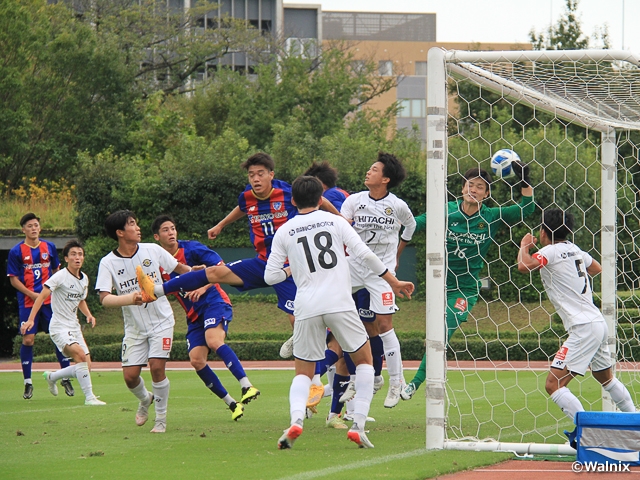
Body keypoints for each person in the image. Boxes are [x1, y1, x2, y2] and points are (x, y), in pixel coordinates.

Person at [264, 176, 415, 449]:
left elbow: (271, 276)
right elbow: (365, 253)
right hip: (340, 304)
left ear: (293, 201)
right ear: (321, 199)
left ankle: (296, 420)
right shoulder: (335, 222)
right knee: (366, 360)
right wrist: (393, 281)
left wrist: (292, 269)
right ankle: (357, 425)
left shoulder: (285, 230)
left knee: (303, 372)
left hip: (307, 306)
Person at [137, 153, 339, 340]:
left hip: (289, 268)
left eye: (260, 174)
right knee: (215, 272)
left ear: (271, 174)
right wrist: (221, 225)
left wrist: (341, 220)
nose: (255, 179)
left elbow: (319, 201)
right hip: (263, 264)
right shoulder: (247, 197)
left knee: (299, 320)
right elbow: (243, 208)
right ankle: (156, 290)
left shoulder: (288, 192)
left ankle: (322, 360)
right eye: (251, 175)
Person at [401, 163, 535, 401]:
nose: (473, 189)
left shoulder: (491, 216)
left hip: (463, 289)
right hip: (436, 285)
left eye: (480, 187)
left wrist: (525, 182)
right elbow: (414, 224)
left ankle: (414, 384)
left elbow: (527, 208)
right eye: (470, 185)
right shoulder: (446, 211)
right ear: (462, 188)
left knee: (441, 334)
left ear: (487, 194)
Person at [517, 209, 636, 443]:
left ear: (543, 232)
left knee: (554, 384)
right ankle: (635, 422)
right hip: (597, 323)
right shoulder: (575, 249)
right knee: (607, 379)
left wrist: (524, 246)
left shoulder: (549, 251)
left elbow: (524, 266)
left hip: (583, 327)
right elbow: (596, 268)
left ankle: (588, 433)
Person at [151, 215, 259, 421]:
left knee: (214, 341)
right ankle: (232, 404)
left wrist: (203, 286)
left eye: (173, 228)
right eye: (165, 230)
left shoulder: (192, 249)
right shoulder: (157, 263)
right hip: (193, 316)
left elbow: (222, 269)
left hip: (214, 302)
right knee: (196, 360)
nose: (171, 232)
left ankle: (246, 385)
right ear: (157, 237)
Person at [95, 210, 191, 433]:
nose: (138, 228)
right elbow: (104, 298)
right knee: (130, 377)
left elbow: (179, 268)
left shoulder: (152, 250)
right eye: (131, 224)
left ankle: (161, 420)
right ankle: (145, 399)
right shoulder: (107, 262)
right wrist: (131, 298)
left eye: (136, 223)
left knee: (157, 367)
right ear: (120, 232)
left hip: (162, 321)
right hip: (135, 328)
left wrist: (195, 273)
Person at [340, 152, 417, 408]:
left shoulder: (397, 205)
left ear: (385, 179)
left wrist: (397, 253)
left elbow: (411, 226)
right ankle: (304, 334)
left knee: (384, 326)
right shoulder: (353, 201)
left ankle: (396, 382)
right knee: (327, 297)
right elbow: (343, 229)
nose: (368, 172)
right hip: (354, 265)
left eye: (373, 169)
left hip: (382, 273)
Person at [20, 240, 105, 406]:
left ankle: (52, 377)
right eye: (73, 254)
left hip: (74, 326)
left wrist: (88, 315)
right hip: (59, 326)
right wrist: (31, 319)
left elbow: (81, 299)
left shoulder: (84, 279)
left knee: (86, 367)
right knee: (79, 356)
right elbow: (42, 296)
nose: (77, 257)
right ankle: (90, 398)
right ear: (66, 258)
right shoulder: (59, 276)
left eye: (80, 254)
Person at [7, 212, 74, 399]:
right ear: (23, 229)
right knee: (28, 339)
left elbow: (56, 271)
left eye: (36, 225)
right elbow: (13, 279)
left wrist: (54, 291)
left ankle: (65, 376)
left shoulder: (49, 247)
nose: (33, 228)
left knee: (58, 337)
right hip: (28, 302)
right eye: (29, 226)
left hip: (50, 302)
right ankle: (28, 382)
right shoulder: (16, 251)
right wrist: (33, 294)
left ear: (40, 227)